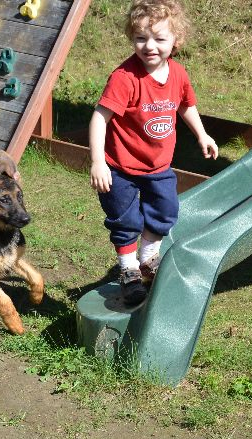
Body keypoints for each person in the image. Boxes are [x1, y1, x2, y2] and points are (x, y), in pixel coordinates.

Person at [89, 0, 218, 305]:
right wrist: (97, 162)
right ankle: (129, 271)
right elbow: (99, 118)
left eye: (160, 39)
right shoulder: (125, 78)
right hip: (118, 167)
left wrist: (202, 134)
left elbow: (186, 104)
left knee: (166, 210)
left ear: (176, 41)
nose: (150, 46)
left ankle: (148, 257)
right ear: (131, 38)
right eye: (141, 38)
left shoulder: (178, 74)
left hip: (158, 165)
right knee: (125, 220)